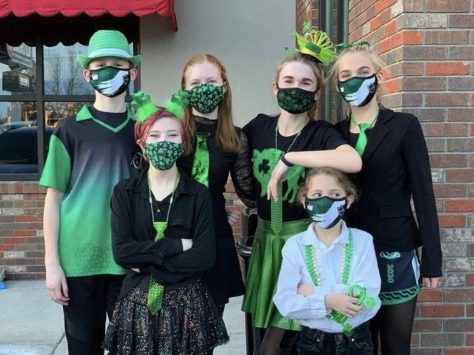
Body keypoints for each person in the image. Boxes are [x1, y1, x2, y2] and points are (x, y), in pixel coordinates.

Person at [241, 25, 362, 354]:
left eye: (306, 83)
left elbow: (351, 160)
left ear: (317, 94)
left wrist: (290, 159)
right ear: (275, 86)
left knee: (293, 334)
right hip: (267, 243)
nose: (296, 88)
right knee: (263, 330)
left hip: (304, 245)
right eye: (289, 81)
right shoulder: (256, 128)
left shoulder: (321, 133)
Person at [332, 43, 442, 355]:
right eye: (346, 75)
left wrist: (432, 257)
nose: (354, 80)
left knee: (395, 345)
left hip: (394, 248)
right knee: (356, 345)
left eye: (363, 73)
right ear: (338, 84)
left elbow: (423, 193)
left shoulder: (404, 126)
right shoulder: (334, 134)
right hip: (347, 252)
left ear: (378, 77)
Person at [40, 30, 141, 355]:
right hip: (78, 263)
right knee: (84, 348)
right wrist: (51, 264)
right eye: (101, 65)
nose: (109, 72)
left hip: (130, 263)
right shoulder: (69, 130)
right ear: (87, 74)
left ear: (132, 73)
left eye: (118, 64)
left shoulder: (145, 130)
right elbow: (53, 199)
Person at [104, 91, 229, 354]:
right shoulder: (124, 192)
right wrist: (177, 245)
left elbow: (204, 255)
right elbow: (123, 252)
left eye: (172, 136)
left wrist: (151, 265)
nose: (164, 142)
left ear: (183, 143)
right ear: (141, 142)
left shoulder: (198, 194)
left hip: (188, 306)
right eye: (155, 136)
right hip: (137, 305)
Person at [274, 166, 381, 355]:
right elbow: (285, 302)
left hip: (356, 341)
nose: (325, 200)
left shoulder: (363, 241)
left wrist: (311, 292)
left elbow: (369, 297)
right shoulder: (294, 247)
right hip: (312, 341)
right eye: (316, 194)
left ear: (348, 200)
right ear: (304, 201)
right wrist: (329, 301)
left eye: (335, 194)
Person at [178, 53, 255, 313]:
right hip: (172, 233)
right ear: (184, 90)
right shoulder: (170, 129)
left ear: (224, 87)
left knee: (208, 323)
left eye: (211, 81)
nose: (203, 88)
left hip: (214, 236)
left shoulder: (235, 137)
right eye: (196, 83)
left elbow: (249, 194)